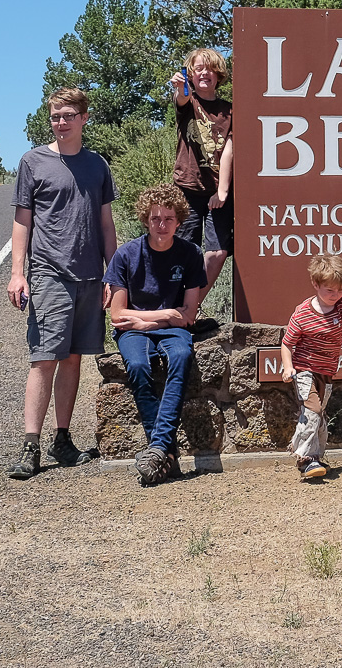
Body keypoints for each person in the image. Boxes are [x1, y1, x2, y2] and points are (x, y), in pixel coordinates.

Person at [6, 87, 118, 480]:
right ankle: (30, 445)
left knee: (73, 358)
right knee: (45, 357)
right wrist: (18, 272)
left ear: (84, 118)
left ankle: (63, 439)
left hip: (90, 276)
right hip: (51, 273)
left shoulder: (97, 165)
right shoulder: (33, 162)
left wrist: (112, 274)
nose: (62, 122)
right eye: (56, 115)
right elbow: (23, 222)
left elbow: (106, 223)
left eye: (69, 115)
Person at [105, 184, 208, 487]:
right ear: (145, 220)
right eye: (155, 219)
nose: (161, 226)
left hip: (171, 330)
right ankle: (165, 450)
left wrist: (150, 320)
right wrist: (161, 316)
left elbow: (188, 314)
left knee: (181, 356)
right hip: (133, 330)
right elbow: (117, 315)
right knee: (137, 366)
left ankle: (158, 449)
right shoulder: (127, 254)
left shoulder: (190, 254)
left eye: (168, 219)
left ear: (179, 221)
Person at [280, 255, 342, 480]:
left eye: (340, 290)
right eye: (330, 290)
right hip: (304, 370)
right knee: (313, 411)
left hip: (327, 373)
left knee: (320, 415)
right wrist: (288, 368)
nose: (335, 295)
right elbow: (287, 343)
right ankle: (305, 459)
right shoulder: (302, 312)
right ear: (316, 284)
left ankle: (315, 456)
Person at [168, 48, 233, 295]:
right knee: (185, 249)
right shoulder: (188, 102)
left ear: (218, 75)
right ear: (191, 74)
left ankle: (191, 306)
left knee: (218, 252)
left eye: (210, 69)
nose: (205, 73)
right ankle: (175, 305)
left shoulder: (229, 110)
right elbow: (182, 97)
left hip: (218, 192)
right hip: (187, 188)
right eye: (199, 69)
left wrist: (223, 192)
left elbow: (229, 150)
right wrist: (180, 86)